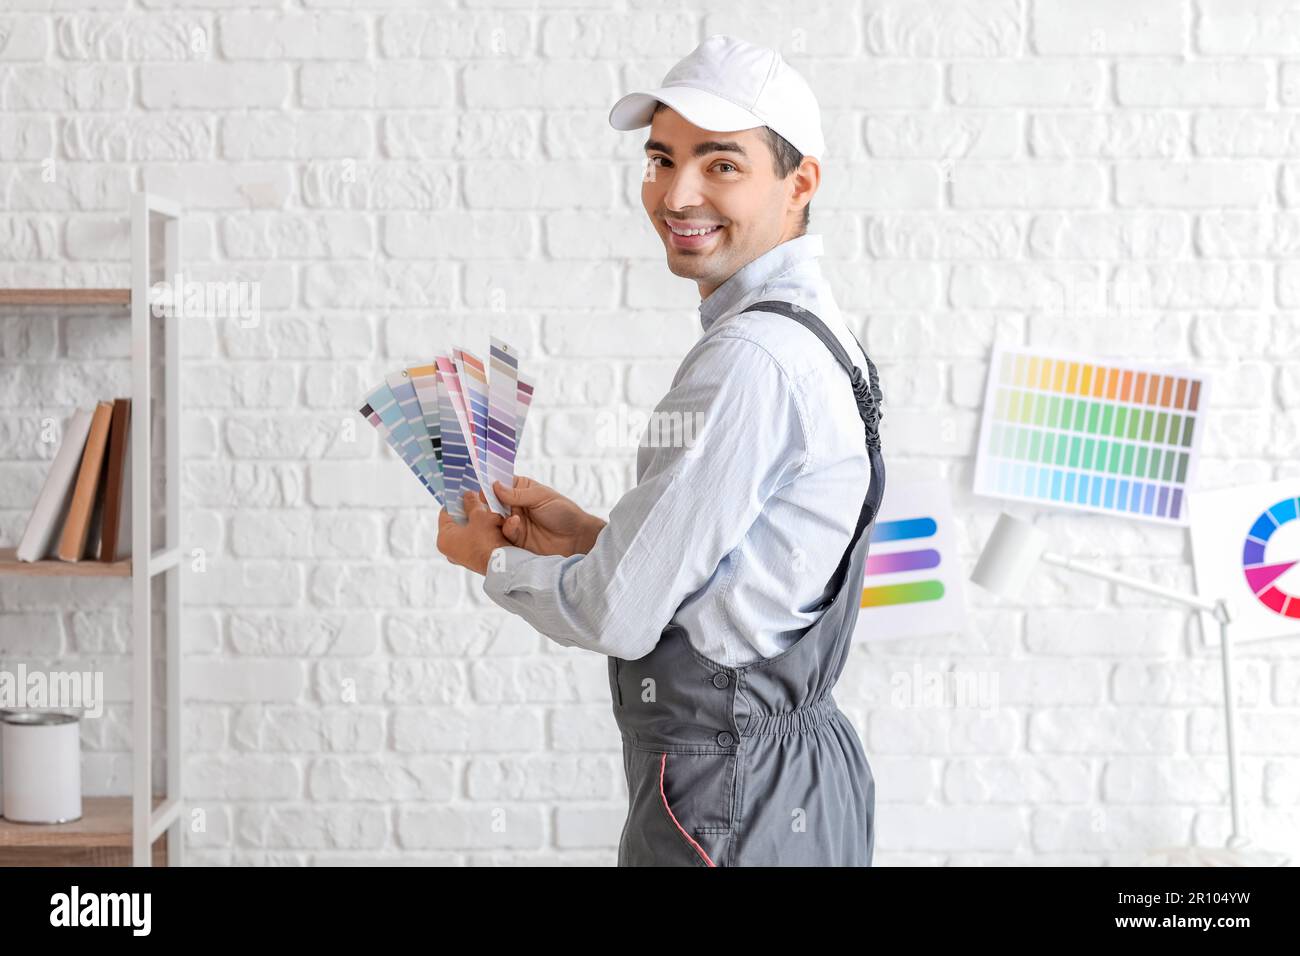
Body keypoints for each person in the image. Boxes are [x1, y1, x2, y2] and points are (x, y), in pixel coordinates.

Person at [436, 35, 886, 866]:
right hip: (804, 778)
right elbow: (746, 570)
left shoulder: (748, 360)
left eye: (721, 165)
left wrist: (492, 564)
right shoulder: (824, 337)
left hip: (729, 792)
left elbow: (619, 613)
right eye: (661, 158)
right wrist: (589, 537)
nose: (676, 194)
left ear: (801, 183)